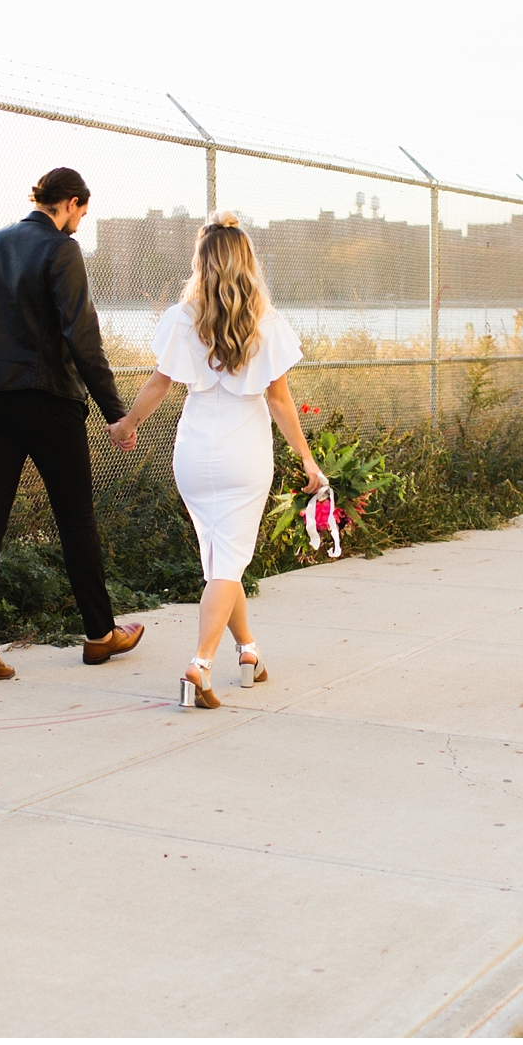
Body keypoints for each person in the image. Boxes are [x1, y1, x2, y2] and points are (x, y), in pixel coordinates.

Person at [108, 213, 326, 709]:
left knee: (220, 561)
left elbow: (158, 384)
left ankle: (248, 653)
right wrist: (308, 462)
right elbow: (279, 401)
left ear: (200, 262)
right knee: (227, 562)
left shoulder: (182, 317)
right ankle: (199, 667)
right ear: (247, 262)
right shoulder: (266, 322)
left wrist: (126, 425)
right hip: (242, 452)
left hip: (193, 451)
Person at [0, 167, 143, 684]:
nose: (80, 222)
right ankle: (101, 636)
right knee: (76, 519)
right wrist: (115, 412)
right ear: (71, 203)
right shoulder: (62, 249)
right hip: (50, 403)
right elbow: (83, 337)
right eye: (82, 212)